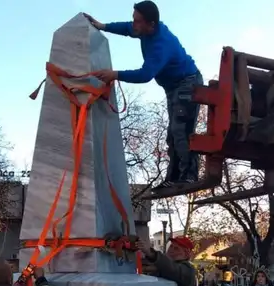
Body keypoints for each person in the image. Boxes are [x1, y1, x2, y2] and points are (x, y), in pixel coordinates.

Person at [84, 2, 203, 191]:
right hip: (173, 87)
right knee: (172, 135)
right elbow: (126, 28)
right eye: (134, 19)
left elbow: (145, 75)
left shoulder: (161, 44)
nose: (134, 24)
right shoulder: (144, 30)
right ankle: (173, 177)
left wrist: (116, 74)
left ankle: (190, 176)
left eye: (138, 21)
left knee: (181, 129)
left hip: (188, 83)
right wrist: (103, 26)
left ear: (151, 24)